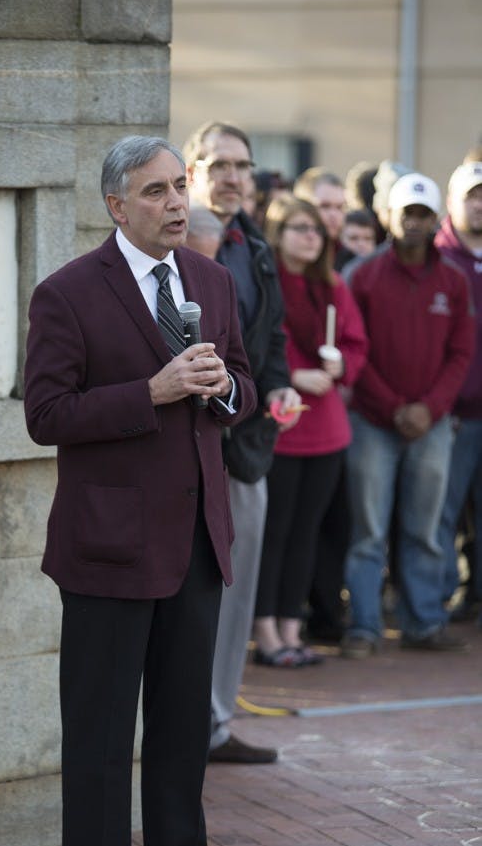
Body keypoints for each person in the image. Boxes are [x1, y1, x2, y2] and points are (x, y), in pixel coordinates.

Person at [23, 135, 258, 846]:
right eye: (156, 191)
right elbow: (45, 415)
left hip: (195, 541)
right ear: (116, 206)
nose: (176, 203)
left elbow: (243, 381)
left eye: (180, 186)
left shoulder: (211, 281)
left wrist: (226, 389)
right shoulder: (67, 294)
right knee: (99, 730)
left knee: (183, 727)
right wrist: (148, 393)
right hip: (109, 546)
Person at [183, 121, 300, 763]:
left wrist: (278, 388)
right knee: (186, 590)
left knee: (236, 591)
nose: (233, 177)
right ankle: (177, 725)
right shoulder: (177, 242)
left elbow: (272, 337)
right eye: (219, 164)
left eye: (243, 166)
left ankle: (214, 725)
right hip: (184, 447)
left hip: (248, 444)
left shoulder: (254, 245)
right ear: (192, 171)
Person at [343, 172, 475, 657]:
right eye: (407, 214)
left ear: (437, 219)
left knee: (425, 528)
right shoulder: (363, 276)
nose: (415, 222)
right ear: (389, 217)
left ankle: (423, 622)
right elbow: (354, 350)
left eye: (423, 214)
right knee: (368, 532)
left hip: (432, 425)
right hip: (372, 422)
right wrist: (395, 407)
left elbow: (461, 352)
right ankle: (365, 626)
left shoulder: (453, 280)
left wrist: (430, 408)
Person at [253, 194, 367, 665]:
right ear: (278, 233)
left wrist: (342, 366)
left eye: (316, 229)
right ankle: (265, 633)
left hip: (327, 429)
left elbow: (356, 344)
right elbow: (256, 345)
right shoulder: (265, 282)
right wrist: (292, 375)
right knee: (274, 532)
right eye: (299, 228)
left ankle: (292, 629)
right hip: (283, 426)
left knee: (307, 533)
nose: (310, 237)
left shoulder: (333, 285)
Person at [435, 161, 482, 622]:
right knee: (442, 515)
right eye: (472, 195)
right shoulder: (436, 257)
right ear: (452, 202)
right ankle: (441, 600)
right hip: (452, 413)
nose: (480, 204)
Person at [293, 167, 346, 265]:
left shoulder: (351, 261)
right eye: (325, 206)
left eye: (339, 207)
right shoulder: (286, 260)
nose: (334, 214)